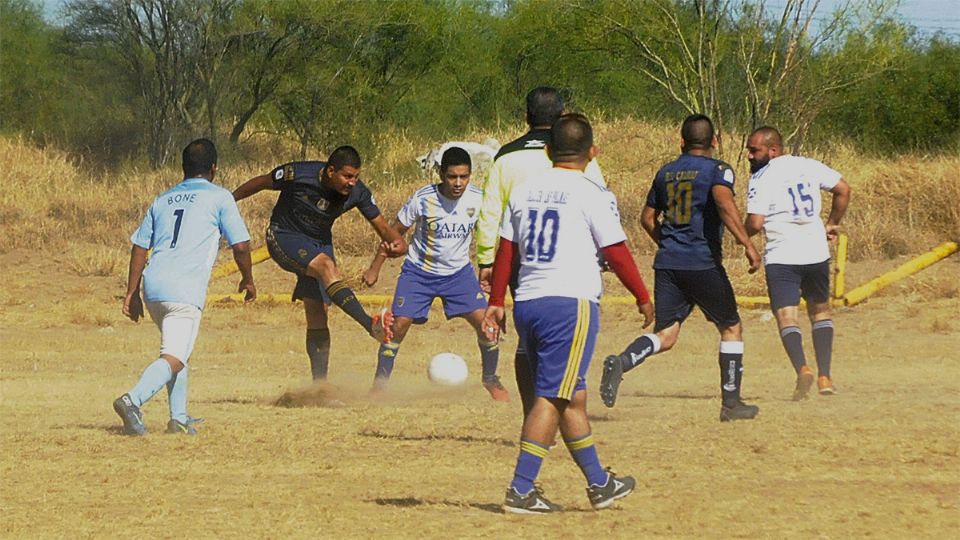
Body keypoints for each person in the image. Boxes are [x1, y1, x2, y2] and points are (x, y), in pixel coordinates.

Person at [483, 114, 654, 514]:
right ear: (592, 152)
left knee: (572, 394)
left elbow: (506, 249)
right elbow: (615, 251)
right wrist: (642, 296)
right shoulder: (590, 192)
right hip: (569, 303)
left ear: (547, 150)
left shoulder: (524, 191)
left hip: (528, 301)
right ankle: (521, 490)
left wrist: (495, 300)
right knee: (553, 397)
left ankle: (600, 484)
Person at [598, 114, 763, 422]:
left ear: (682, 142)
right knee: (730, 327)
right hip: (701, 262)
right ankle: (731, 403)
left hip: (668, 263)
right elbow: (725, 204)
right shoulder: (718, 170)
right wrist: (748, 245)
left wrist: (668, 243)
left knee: (667, 334)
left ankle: (623, 361)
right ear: (714, 141)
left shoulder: (666, 172)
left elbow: (647, 219)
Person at [475, 86, 606, 419]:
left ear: (526, 117)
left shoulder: (505, 157)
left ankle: (532, 411)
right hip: (572, 261)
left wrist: (487, 260)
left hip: (522, 258)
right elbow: (602, 201)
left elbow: (490, 212)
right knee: (568, 335)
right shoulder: (580, 155)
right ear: (562, 116)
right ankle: (562, 408)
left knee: (527, 337)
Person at [113, 138, 257, 436]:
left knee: (177, 352)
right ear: (214, 168)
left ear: (183, 168)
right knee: (175, 356)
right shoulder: (219, 198)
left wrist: (131, 292)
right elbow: (241, 245)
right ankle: (132, 400)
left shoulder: (162, 199)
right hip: (184, 288)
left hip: (153, 286)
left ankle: (178, 419)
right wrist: (248, 278)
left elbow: (140, 247)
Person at [232, 146, 406, 381]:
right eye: (347, 176)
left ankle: (319, 387)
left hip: (319, 243)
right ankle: (369, 324)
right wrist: (227, 201)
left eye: (356, 176)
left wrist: (398, 243)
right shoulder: (298, 174)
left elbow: (384, 228)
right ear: (330, 171)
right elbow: (262, 182)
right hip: (284, 235)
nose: (352, 182)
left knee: (317, 313)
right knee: (327, 267)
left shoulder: (358, 192)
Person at [361, 147, 509, 400]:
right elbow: (393, 233)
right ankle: (380, 385)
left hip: (458, 275)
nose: (459, 183)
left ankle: (490, 379)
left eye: (464, 177)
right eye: (452, 177)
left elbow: (495, 233)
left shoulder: (479, 198)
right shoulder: (423, 198)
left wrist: (491, 268)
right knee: (398, 326)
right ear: (441, 174)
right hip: (419, 273)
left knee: (487, 326)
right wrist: (376, 266)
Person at [744, 126, 851, 399]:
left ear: (773, 150)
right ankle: (825, 377)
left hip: (782, 256)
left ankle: (803, 369)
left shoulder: (761, 177)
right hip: (816, 252)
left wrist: (740, 235)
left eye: (754, 150)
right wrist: (833, 223)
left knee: (787, 317)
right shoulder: (808, 165)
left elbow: (755, 223)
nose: (749, 156)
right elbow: (843, 189)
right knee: (821, 313)